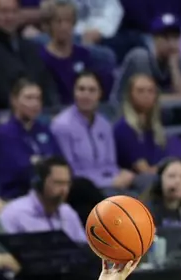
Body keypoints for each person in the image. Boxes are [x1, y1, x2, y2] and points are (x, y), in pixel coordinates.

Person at [53, 70, 129, 213]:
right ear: (74, 92)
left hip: (110, 183)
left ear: (100, 94)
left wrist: (120, 175)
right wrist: (110, 182)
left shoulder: (104, 124)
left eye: (92, 90)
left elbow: (110, 164)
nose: (86, 95)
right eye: (81, 89)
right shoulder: (61, 125)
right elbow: (70, 172)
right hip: (82, 190)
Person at [0, 0, 60, 109]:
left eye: (14, 12)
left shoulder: (30, 47)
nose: (9, 17)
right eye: (3, 12)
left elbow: (46, 82)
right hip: (4, 113)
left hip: (39, 111)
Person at [0, 155, 87, 242]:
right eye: (58, 183)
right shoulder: (14, 213)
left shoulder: (68, 213)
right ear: (39, 183)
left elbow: (84, 249)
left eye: (67, 184)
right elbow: (3, 253)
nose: (64, 190)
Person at [0, 78, 56, 200]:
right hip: (16, 194)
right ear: (14, 100)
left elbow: (59, 159)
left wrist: (37, 162)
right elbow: (19, 169)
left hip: (48, 191)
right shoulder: (3, 133)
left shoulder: (44, 130)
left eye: (38, 98)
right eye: (29, 98)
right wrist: (42, 163)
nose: (35, 103)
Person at [116, 13, 181, 101]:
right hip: (122, 112)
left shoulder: (176, 59)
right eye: (165, 37)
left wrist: (174, 67)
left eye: (175, 37)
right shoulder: (140, 57)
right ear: (154, 39)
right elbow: (146, 98)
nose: (171, 44)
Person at [40, 0, 103, 106]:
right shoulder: (41, 58)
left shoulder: (83, 54)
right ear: (49, 25)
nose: (63, 27)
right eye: (58, 21)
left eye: (68, 21)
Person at [115, 74, 176, 179]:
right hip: (134, 181)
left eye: (150, 91)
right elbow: (143, 169)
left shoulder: (153, 127)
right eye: (140, 91)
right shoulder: (124, 128)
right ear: (130, 95)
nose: (146, 95)